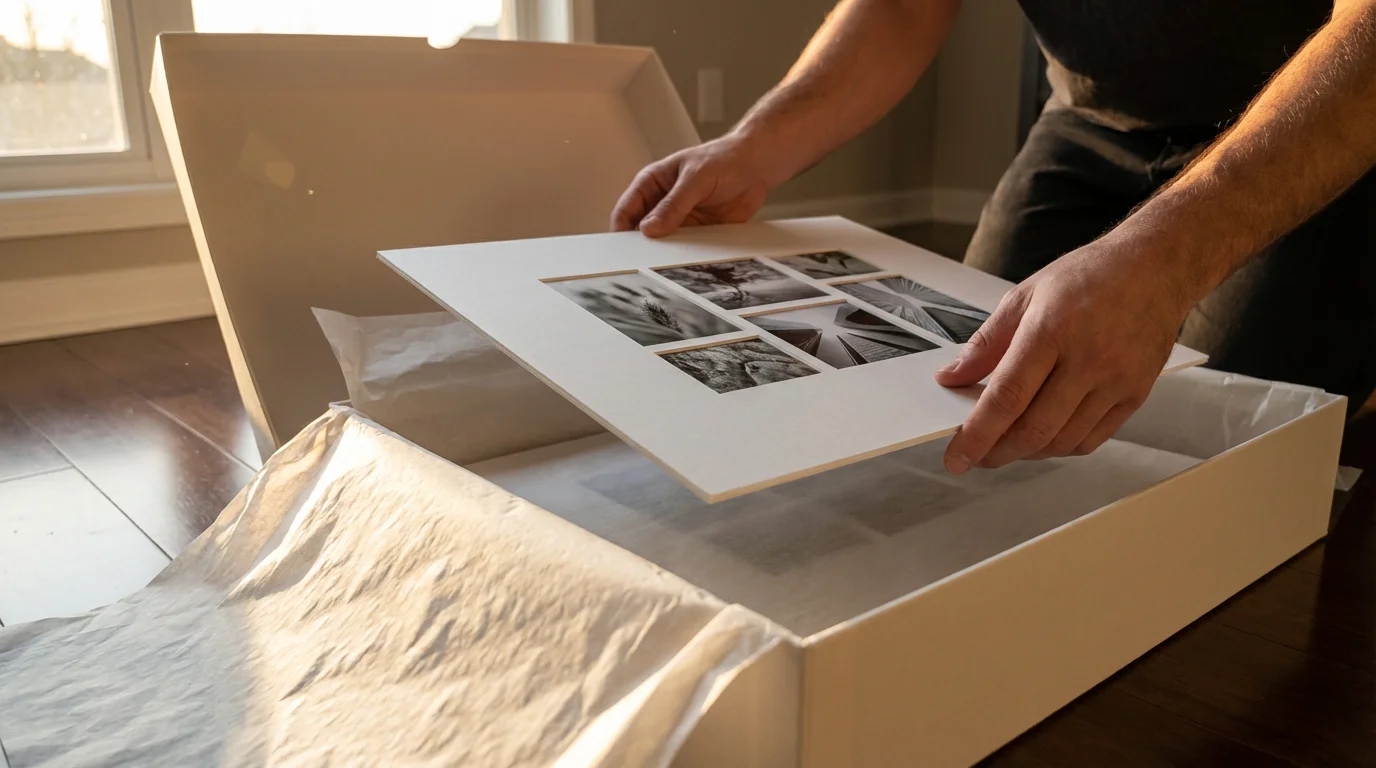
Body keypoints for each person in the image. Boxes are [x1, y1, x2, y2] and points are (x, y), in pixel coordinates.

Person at [610, 0, 1376, 476]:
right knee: (960, 402)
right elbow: (904, 6)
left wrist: (1167, 257)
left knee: (1221, 440)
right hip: (1090, 121)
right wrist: (756, 145)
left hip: (1318, 134)